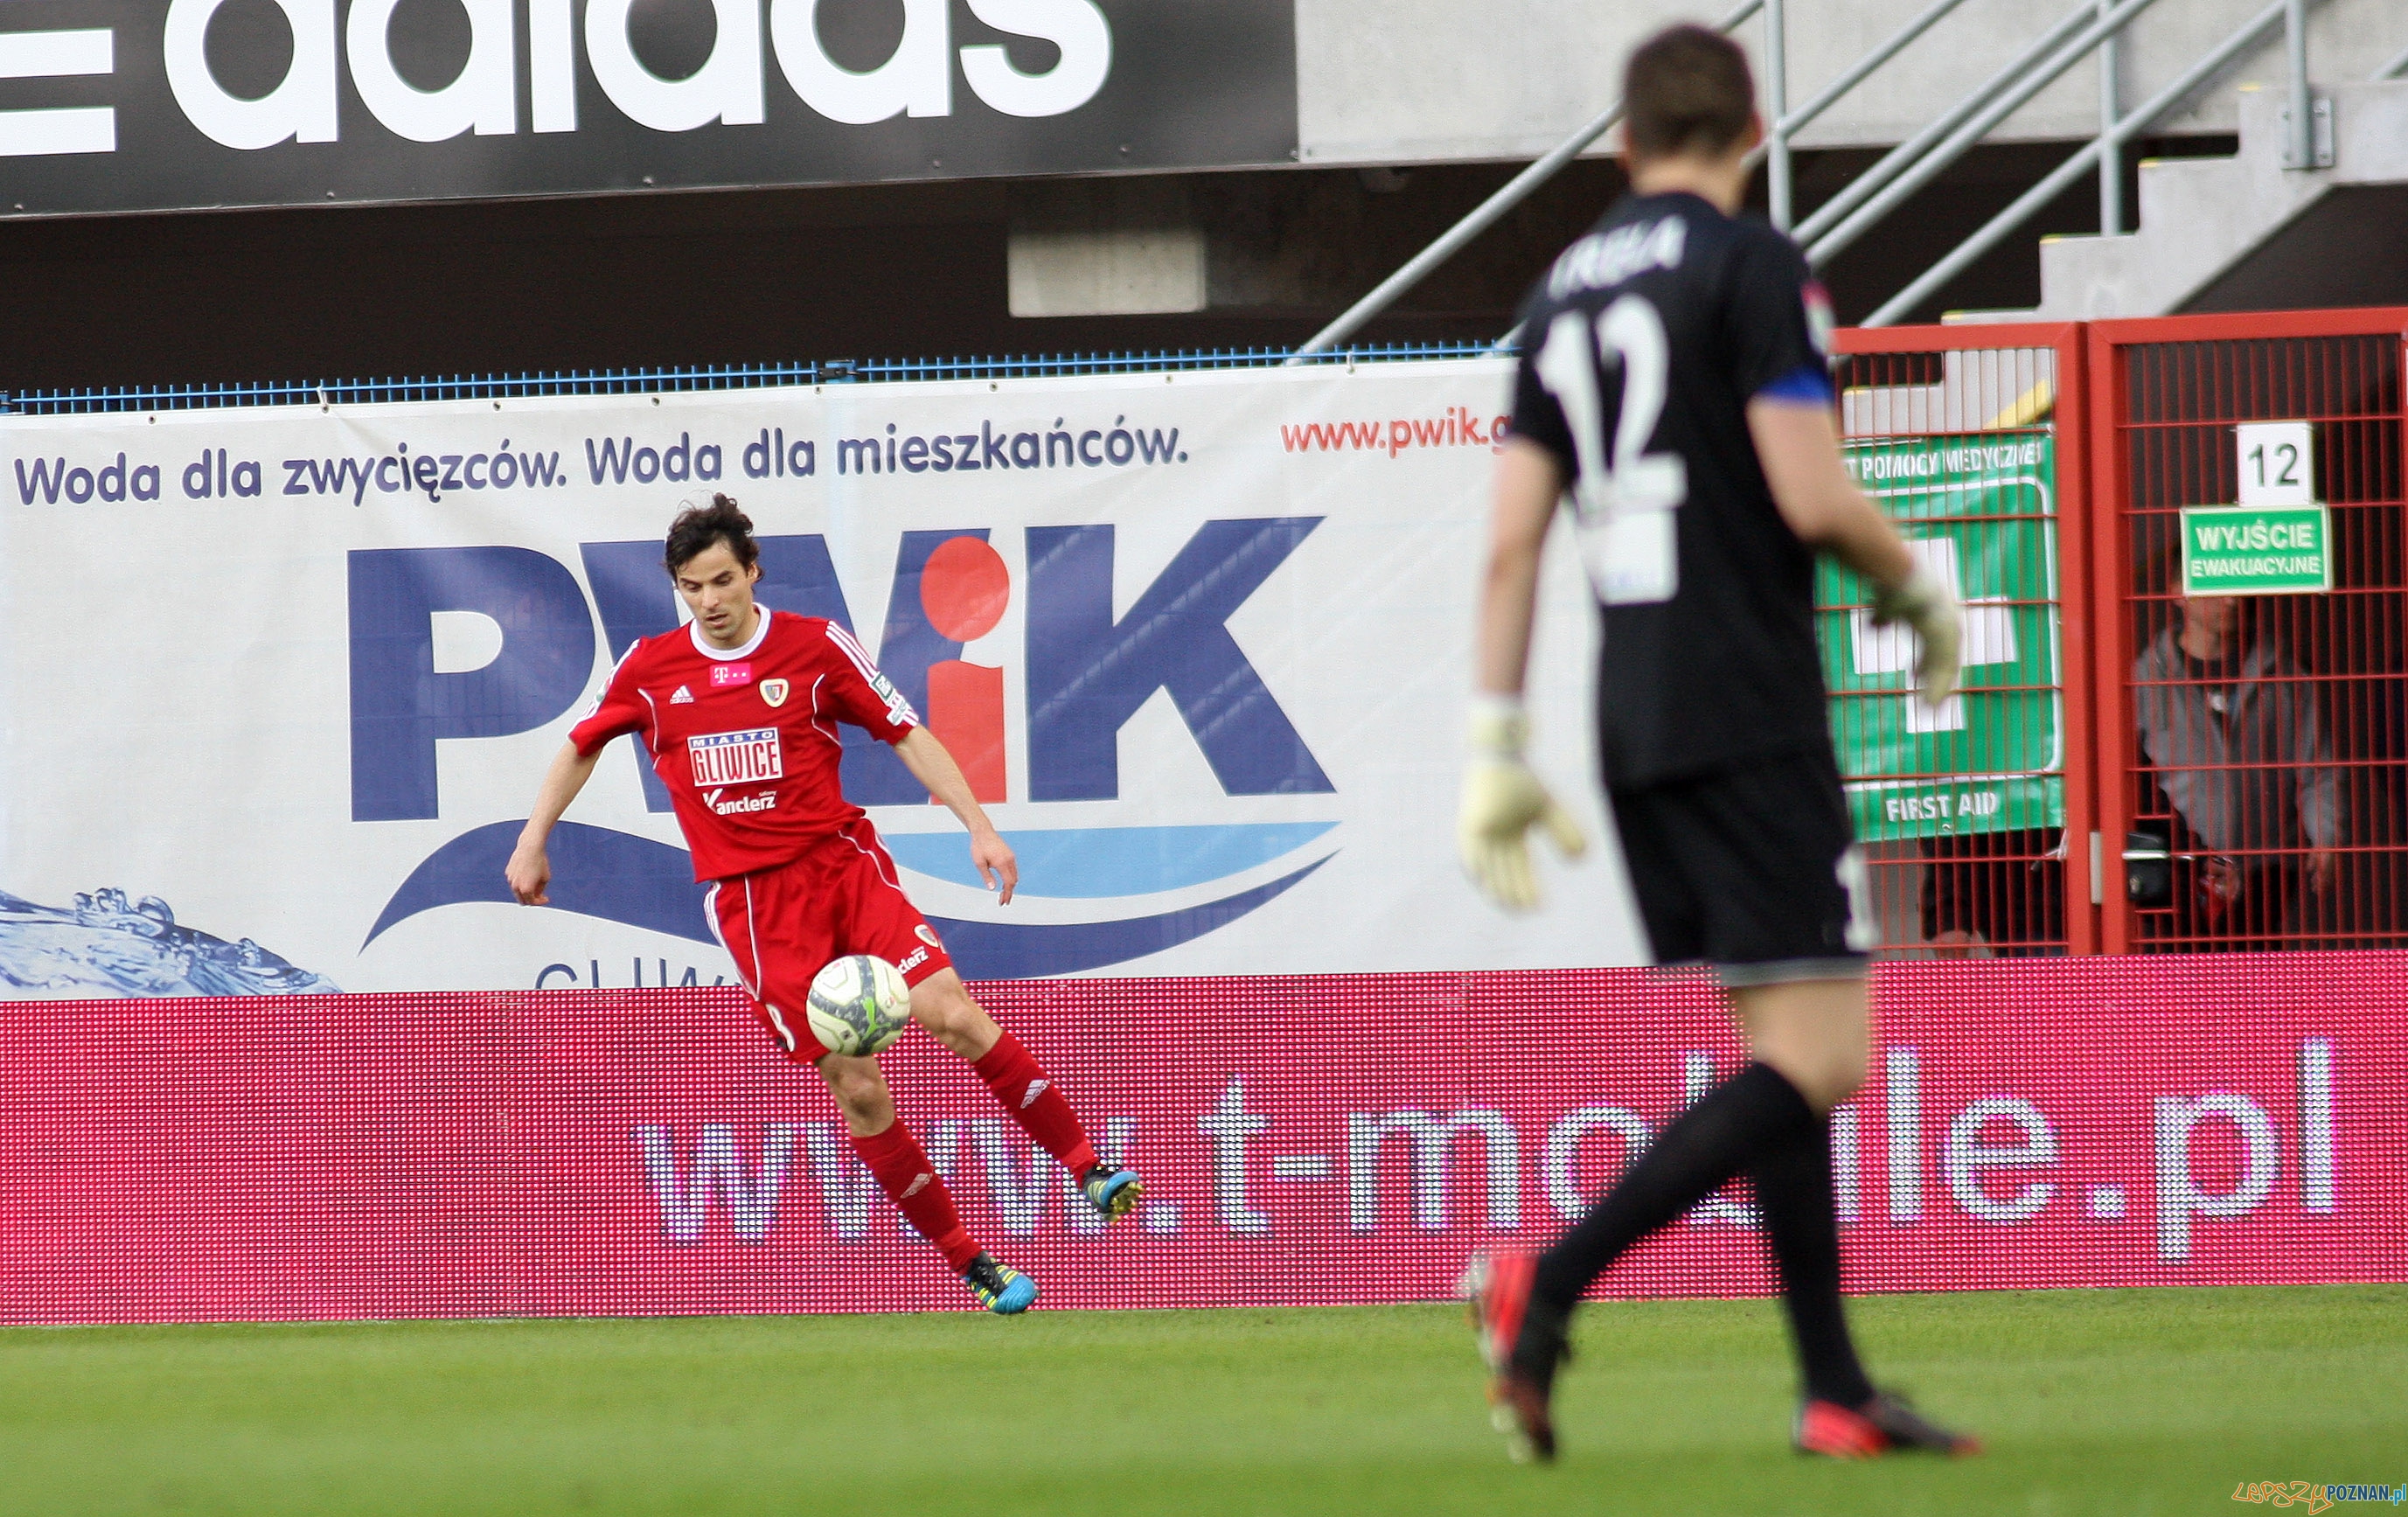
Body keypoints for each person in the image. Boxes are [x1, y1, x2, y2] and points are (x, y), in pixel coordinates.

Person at [1454, 25, 1979, 1464]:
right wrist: (1916, 584)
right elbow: (1805, 492)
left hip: (1629, 715)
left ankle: (1831, 1389)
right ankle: (1543, 1285)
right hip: (1744, 696)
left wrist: (1493, 741)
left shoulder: (1553, 291)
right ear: (1748, 134)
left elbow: (1509, 544)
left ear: (1620, 149)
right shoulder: (1756, 265)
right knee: (1825, 1058)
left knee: (1778, 1047)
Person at [505, 495, 1142, 1312]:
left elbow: (906, 730)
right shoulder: (651, 670)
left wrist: (978, 827)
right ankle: (973, 1263)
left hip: (842, 867)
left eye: (724, 580)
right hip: (754, 906)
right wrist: (532, 841)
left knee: (948, 1008)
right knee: (859, 1086)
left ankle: (1087, 1163)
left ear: (753, 571)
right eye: (693, 587)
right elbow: (581, 744)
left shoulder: (813, 646)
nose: (710, 601)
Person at [2133, 592, 2341, 945]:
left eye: (2237, 588)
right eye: (2215, 588)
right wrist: (2189, 851)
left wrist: (2326, 837)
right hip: (2176, 864)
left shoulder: (2285, 672)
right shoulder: (2143, 676)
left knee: (2252, 984)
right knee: (2178, 982)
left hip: (2266, 863)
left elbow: (2317, 766)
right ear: (2178, 590)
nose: (2231, 601)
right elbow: (2129, 776)